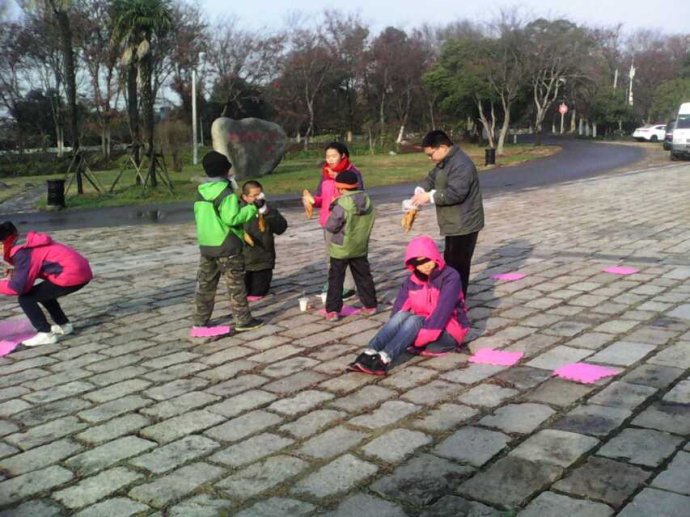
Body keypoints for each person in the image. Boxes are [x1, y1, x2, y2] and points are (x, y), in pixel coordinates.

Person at [348, 235, 470, 375]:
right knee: (402, 316)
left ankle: (384, 359)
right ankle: (369, 352)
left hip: (448, 331)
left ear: (435, 256)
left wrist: (419, 338)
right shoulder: (412, 281)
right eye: (419, 263)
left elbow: (442, 312)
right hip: (422, 327)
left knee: (414, 320)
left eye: (427, 260)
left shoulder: (450, 277)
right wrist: (398, 333)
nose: (425, 266)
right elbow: (398, 311)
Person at [192, 151, 264, 333]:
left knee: (205, 286)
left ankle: (200, 321)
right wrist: (252, 208)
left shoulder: (201, 191)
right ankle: (243, 320)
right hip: (227, 246)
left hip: (207, 245)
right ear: (226, 171)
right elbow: (232, 218)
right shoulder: (227, 193)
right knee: (235, 285)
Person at [410, 130, 484, 299]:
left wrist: (430, 197)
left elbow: (456, 193)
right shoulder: (445, 161)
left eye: (431, 154)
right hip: (452, 222)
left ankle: (457, 300)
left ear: (442, 147)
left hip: (464, 223)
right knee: (450, 261)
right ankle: (451, 296)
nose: (430, 159)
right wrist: (421, 189)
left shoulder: (461, 165)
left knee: (458, 266)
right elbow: (432, 177)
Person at [0, 221, 92, 347]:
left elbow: (19, 287)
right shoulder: (25, 243)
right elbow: (36, 266)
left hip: (71, 276)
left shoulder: (23, 252)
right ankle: (64, 325)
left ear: (2, 244)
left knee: (26, 298)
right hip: (80, 271)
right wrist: (15, 271)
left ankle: (45, 333)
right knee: (43, 294)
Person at [303, 142, 364, 299]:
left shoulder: (353, 173)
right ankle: (334, 282)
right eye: (327, 156)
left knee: (345, 253)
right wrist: (311, 201)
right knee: (331, 255)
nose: (330, 159)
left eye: (333, 156)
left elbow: (359, 197)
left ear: (343, 155)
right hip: (329, 222)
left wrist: (339, 180)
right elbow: (320, 198)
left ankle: (348, 286)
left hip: (346, 221)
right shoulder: (325, 174)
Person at [324, 169, 377, 321]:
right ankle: (370, 305)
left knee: (336, 279)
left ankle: (333, 310)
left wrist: (332, 206)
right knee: (363, 276)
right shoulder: (367, 200)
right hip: (360, 246)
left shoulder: (341, 204)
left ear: (341, 188)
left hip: (341, 248)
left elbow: (331, 226)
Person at [240, 180, 288, 299]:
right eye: (254, 196)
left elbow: (281, 228)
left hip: (263, 260)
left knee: (258, 292)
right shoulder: (237, 211)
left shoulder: (267, 210)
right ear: (245, 197)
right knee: (241, 292)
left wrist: (267, 213)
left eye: (260, 194)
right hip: (243, 260)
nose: (258, 198)